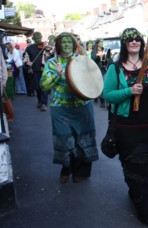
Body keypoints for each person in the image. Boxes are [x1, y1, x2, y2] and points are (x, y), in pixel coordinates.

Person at [103, 28, 148, 226]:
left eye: (137, 39)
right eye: (129, 39)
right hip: (126, 126)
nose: (134, 42)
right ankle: (145, 208)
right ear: (124, 43)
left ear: (141, 43)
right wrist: (129, 91)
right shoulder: (115, 68)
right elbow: (107, 95)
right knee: (132, 163)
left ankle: (146, 197)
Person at [40, 32, 99, 184]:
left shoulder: (82, 61)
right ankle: (66, 168)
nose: (66, 44)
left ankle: (81, 171)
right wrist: (57, 74)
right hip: (60, 108)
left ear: (74, 45)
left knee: (83, 139)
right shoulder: (52, 63)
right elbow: (43, 85)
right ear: (58, 45)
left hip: (82, 107)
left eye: (69, 42)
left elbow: (94, 81)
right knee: (64, 140)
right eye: (63, 42)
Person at [23, 32, 49, 111]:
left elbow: (50, 56)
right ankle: (39, 100)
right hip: (34, 70)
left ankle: (44, 103)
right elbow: (25, 58)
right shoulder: (29, 48)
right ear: (33, 39)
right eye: (36, 38)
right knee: (37, 87)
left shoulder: (45, 47)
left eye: (39, 38)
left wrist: (48, 51)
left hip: (44, 70)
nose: (38, 40)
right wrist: (28, 62)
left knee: (44, 87)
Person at [91, 39, 107, 107]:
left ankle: (104, 100)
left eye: (103, 42)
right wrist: (98, 56)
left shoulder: (105, 50)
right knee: (99, 86)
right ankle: (101, 100)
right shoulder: (94, 51)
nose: (102, 44)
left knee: (104, 86)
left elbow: (109, 59)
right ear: (97, 44)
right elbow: (93, 58)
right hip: (97, 71)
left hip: (105, 70)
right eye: (101, 42)